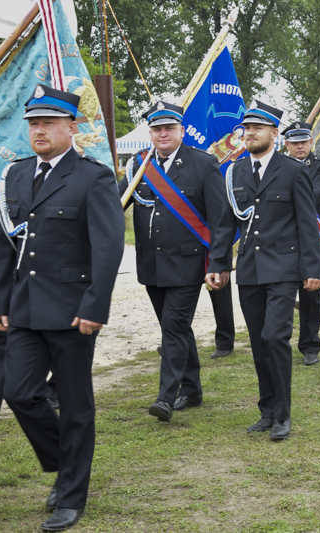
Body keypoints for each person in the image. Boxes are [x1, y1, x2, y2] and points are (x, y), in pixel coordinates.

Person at [0, 84, 124, 532]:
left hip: (71, 309)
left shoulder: (93, 176)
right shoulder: (16, 175)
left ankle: (70, 495)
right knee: (19, 392)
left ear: (72, 127)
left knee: (75, 402)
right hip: (25, 307)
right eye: (33, 123)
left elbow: (107, 248)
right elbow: (1, 247)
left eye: (47, 122)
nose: (38, 130)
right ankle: (67, 463)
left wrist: (95, 306)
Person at [205, 100, 320, 441]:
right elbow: (226, 224)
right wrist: (218, 263)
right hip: (251, 270)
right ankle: (267, 410)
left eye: (258, 128)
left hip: (284, 268)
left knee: (275, 337)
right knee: (258, 342)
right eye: (247, 128)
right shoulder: (235, 172)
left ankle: (283, 415)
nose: (250, 132)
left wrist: (312, 268)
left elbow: (307, 224)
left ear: (274, 133)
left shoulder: (293, 171)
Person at [119, 100, 225, 421]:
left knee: (174, 328)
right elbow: (114, 205)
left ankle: (166, 397)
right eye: (156, 128)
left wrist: (219, 263)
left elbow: (220, 220)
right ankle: (192, 389)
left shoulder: (203, 164)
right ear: (149, 132)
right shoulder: (138, 166)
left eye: (169, 128)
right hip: (152, 265)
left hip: (188, 264)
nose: (162, 134)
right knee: (177, 327)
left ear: (181, 130)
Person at [281, 121, 320, 366]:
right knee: (281, 294)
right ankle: (279, 344)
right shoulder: (277, 166)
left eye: (303, 141)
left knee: (311, 294)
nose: (299, 146)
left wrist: (284, 195)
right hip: (284, 238)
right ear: (286, 144)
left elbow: (316, 196)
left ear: (311, 142)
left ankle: (310, 346)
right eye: (294, 142)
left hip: (313, 238)